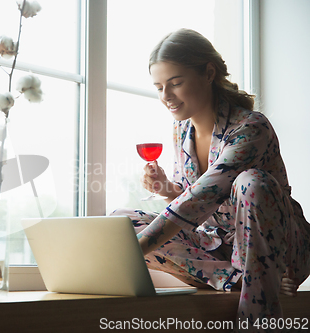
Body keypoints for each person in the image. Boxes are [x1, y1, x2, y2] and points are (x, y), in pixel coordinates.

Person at [111, 28, 310, 332]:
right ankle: (238, 278)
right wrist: (168, 190)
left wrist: (135, 249)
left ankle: (257, 316)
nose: (166, 96)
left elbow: (201, 197)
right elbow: (192, 199)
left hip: (277, 246)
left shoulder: (251, 127)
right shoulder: (181, 130)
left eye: (175, 83)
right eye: (159, 86)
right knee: (119, 223)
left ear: (208, 73)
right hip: (222, 246)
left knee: (251, 183)